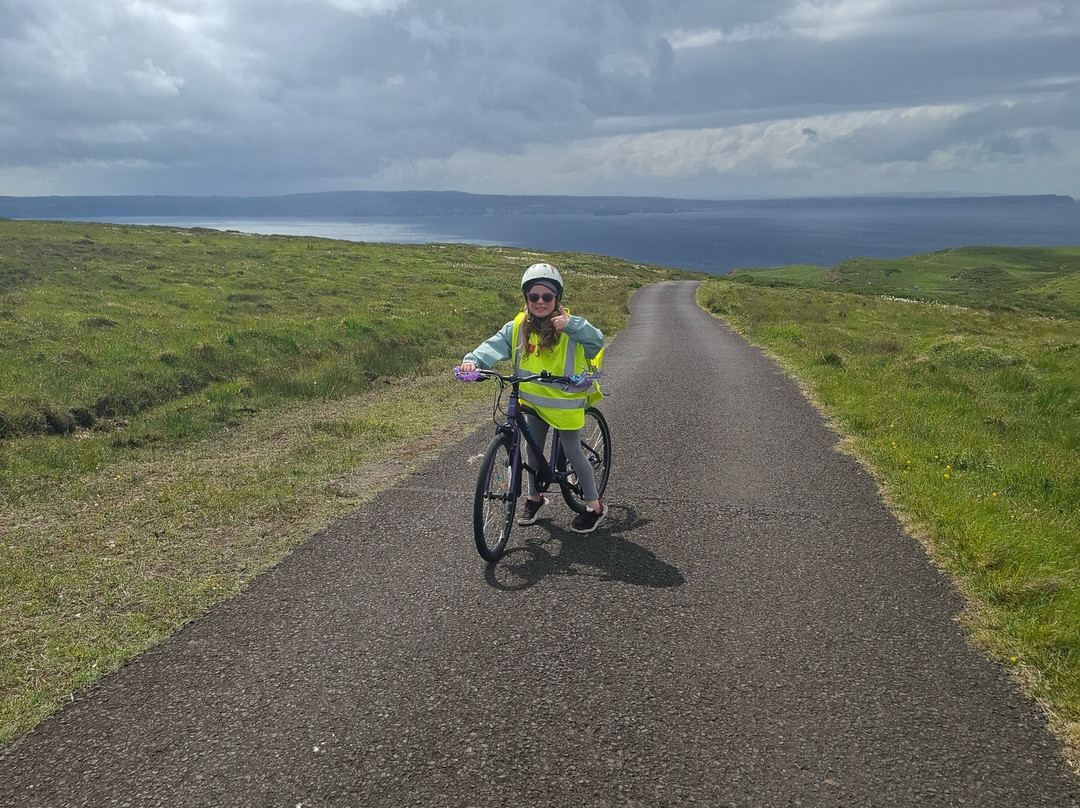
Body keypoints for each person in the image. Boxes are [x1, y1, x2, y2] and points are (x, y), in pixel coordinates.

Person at [460, 262, 606, 533]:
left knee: (573, 452)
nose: (540, 302)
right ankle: (534, 498)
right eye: (534, 296)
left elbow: (596, 341)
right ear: (526, 298)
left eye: (547, 296)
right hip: (533, 402)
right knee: (531, 448)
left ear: (556, 298)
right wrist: (473, 361)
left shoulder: (570, 327)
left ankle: (593, 506)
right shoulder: (518, 326)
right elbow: (493, 345)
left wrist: (571, 326)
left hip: (565, 405)